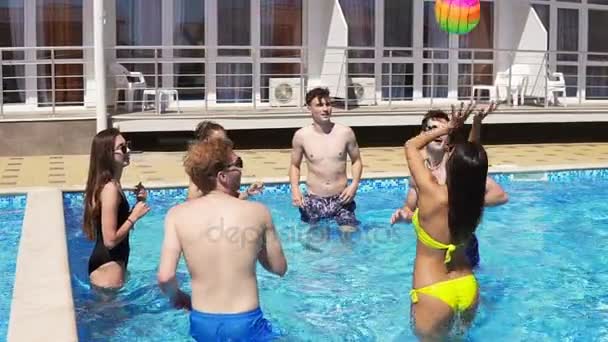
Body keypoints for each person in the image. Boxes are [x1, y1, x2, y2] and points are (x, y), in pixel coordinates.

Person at [157, 138, 287, 341]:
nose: (242, 170)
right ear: (222, 176)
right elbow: (279, 268)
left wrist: (179, 297)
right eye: (238, 164)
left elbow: (165, 277)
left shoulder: (176, 215)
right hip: (246, 322)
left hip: (202, 322)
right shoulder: (258, 212)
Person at [404, 107, 487, 340]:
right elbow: (472, 160)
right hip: (467, 286)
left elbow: (411, 146)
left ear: (453, 165)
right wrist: (475, 125)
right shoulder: (474, 202)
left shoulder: (433, 194)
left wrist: (447, 128)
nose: (448, 151)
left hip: (433, 290)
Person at [391, 103, 508, 267]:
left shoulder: (454, 165)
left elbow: (500, 195)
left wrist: (462, 202)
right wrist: (403, 216)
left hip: (462, 243)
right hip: (435, 244)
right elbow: (410, 210)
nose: (438, 134)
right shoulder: (418, 175)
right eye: (432, 129)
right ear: (423, 134)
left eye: (444, 129)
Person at [83, 128, 150, 290]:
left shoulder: (112, 184)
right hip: (109, 267)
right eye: (122, 148)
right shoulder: (110, 189)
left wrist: (138, 204)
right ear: (108, 155)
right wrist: (134, 216)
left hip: (110, 262)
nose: (128, 151)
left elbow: (117, 223)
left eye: (127, 146)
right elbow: (110, 240)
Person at [289, 87, 363, 231]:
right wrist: (295, 190)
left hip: (341, 198)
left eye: (328, 104)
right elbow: (294, 165)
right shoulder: (301, 136)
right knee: (314, 242)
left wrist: (354, 185)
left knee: (348, 236)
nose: (325, 109)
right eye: (319, 105)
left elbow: (357, 160)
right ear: (309, 108)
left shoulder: (345, 133)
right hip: (313, 200)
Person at [187, 120, 264, 201]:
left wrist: (247, 193)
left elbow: (231, 197)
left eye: (225, 140)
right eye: (218, 141)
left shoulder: (227, 159)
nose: (223, 144)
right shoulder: (202, 167)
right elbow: (192, 199)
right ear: (206, 142)